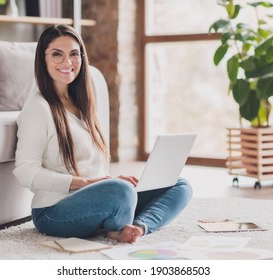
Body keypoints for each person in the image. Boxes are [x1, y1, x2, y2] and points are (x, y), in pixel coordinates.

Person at [13, 24, 193, 243]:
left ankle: (136, 227)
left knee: (180, 186)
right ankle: (119, 218)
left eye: (74, 54)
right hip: (53, 211)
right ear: (43, 59)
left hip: (96, 197)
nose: (67, 62)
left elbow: (95, 170)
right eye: (57, 55)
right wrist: (90, 183)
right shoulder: (38, 108)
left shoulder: (82, 104)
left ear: (82, 58)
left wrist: (104, 183)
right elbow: (26, 172)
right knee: (121, 191)